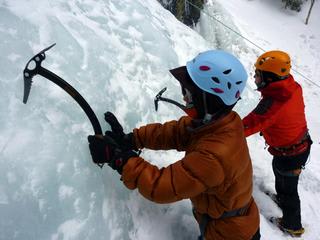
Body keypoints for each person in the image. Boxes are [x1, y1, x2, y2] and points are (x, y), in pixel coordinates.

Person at [88, 50, 260, 239]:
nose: (184, 98)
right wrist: (131, 139)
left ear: (208, 99)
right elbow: (174, 133)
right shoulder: (220, 123)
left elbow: (161, 188)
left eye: (187, 91)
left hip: (228, 234)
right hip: (231, 220)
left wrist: (119, 160)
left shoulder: (214, 155)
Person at [242, 50, 312, 237]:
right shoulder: (291, 86)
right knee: (282, 177)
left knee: (289, 192)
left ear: (270, 78)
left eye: (258, 75)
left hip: (290, 154)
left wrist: (223, 130)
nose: (255, 78)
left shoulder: (275, 103)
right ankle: (282, 199)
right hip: (296, 146)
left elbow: (248, 125)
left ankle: (292, 226)